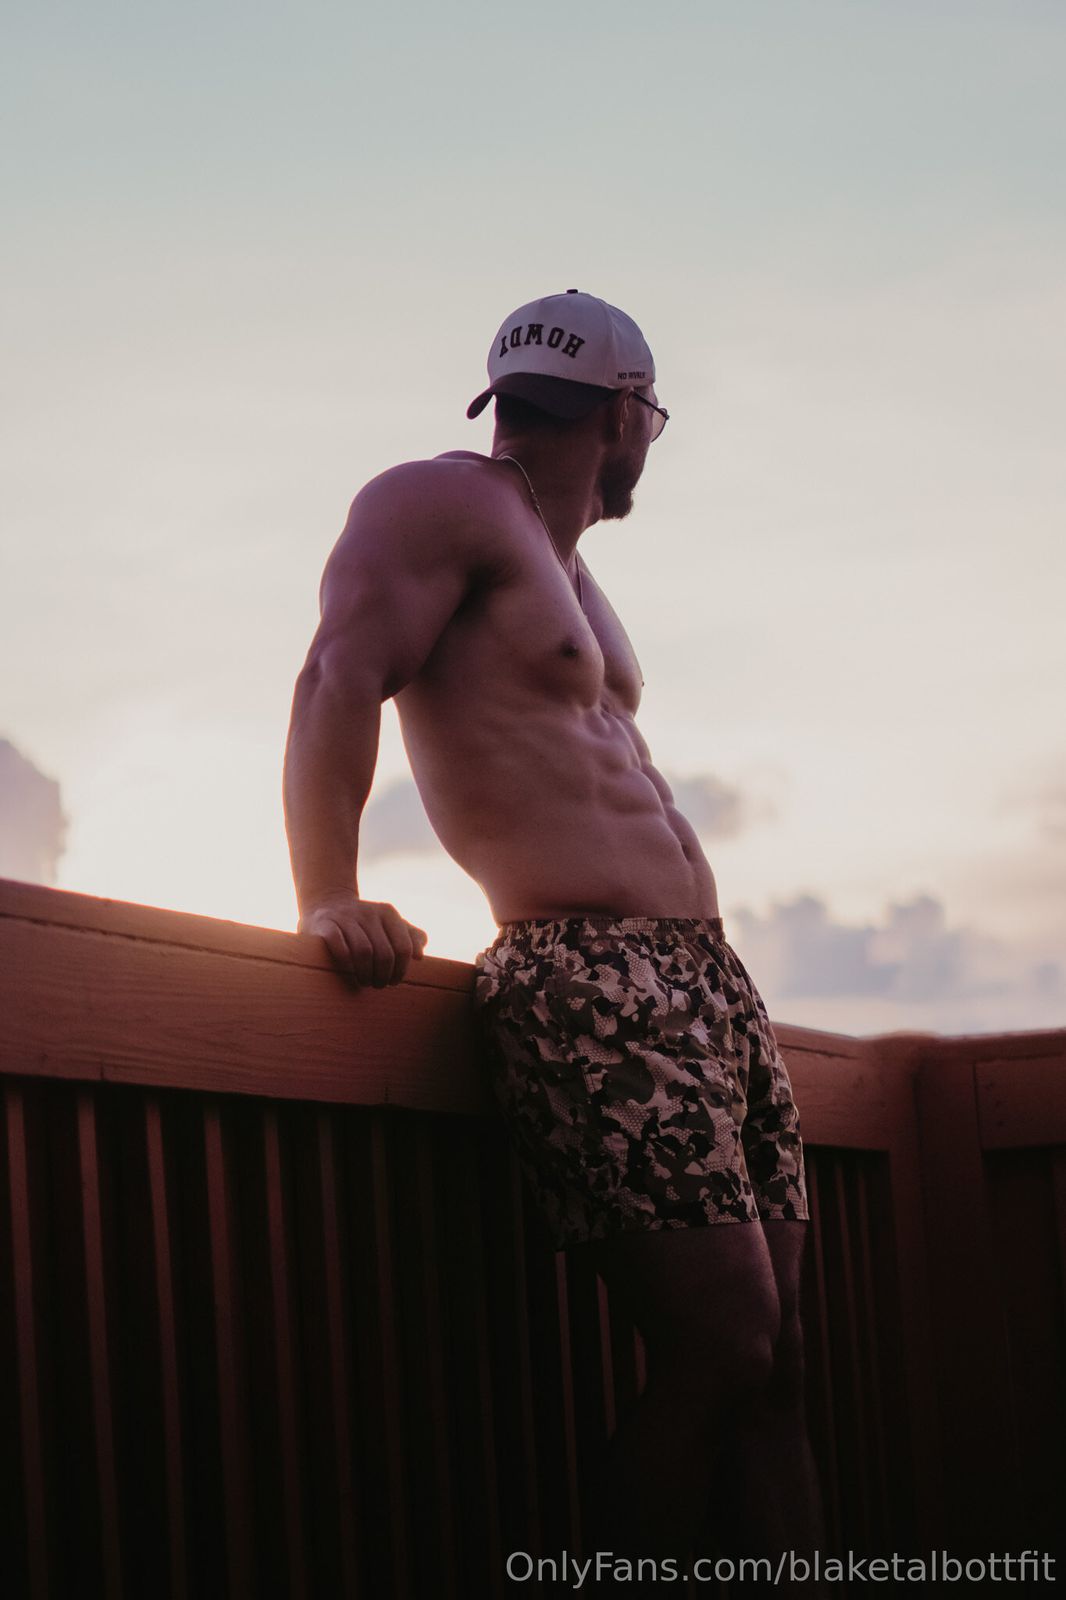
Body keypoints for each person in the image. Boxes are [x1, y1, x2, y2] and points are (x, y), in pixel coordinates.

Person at [283, 289, 827, 1592]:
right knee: (718, 1351)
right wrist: (327, 894)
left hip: (703, 977)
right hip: (587, 975)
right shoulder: (439, 502)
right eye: (650, 419)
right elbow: (336, 676)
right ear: (629, 414)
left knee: (773, 1367)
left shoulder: (560, 562)